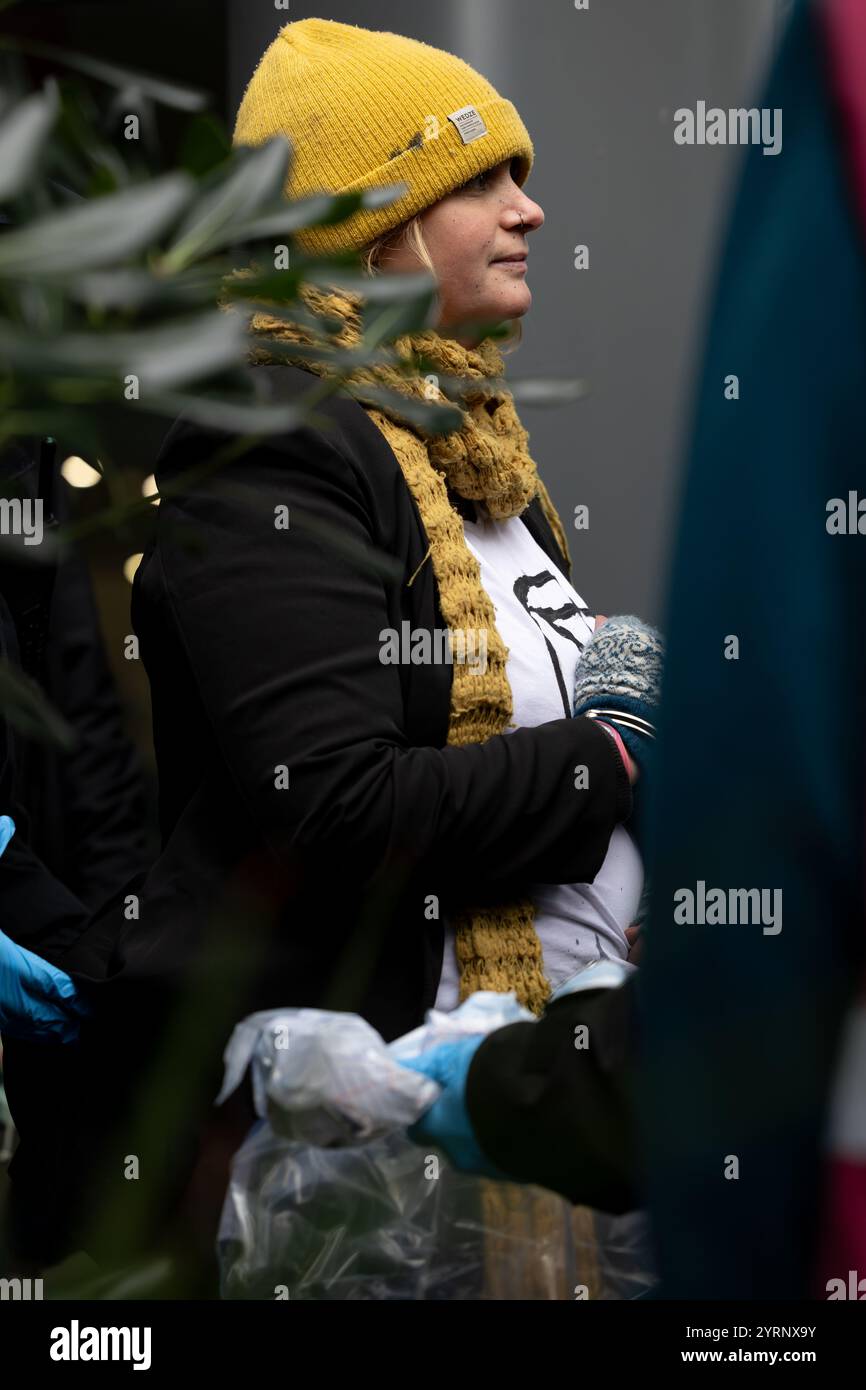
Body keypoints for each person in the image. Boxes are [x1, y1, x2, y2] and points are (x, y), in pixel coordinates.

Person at [5, 18, 653, 1283]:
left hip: (519, 1114)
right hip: (352, 1144)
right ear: (377, 220)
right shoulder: (277, 442)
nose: (528, 211)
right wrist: (614, 758)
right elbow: (337, 805)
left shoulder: (480, 455)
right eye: (481, 178)